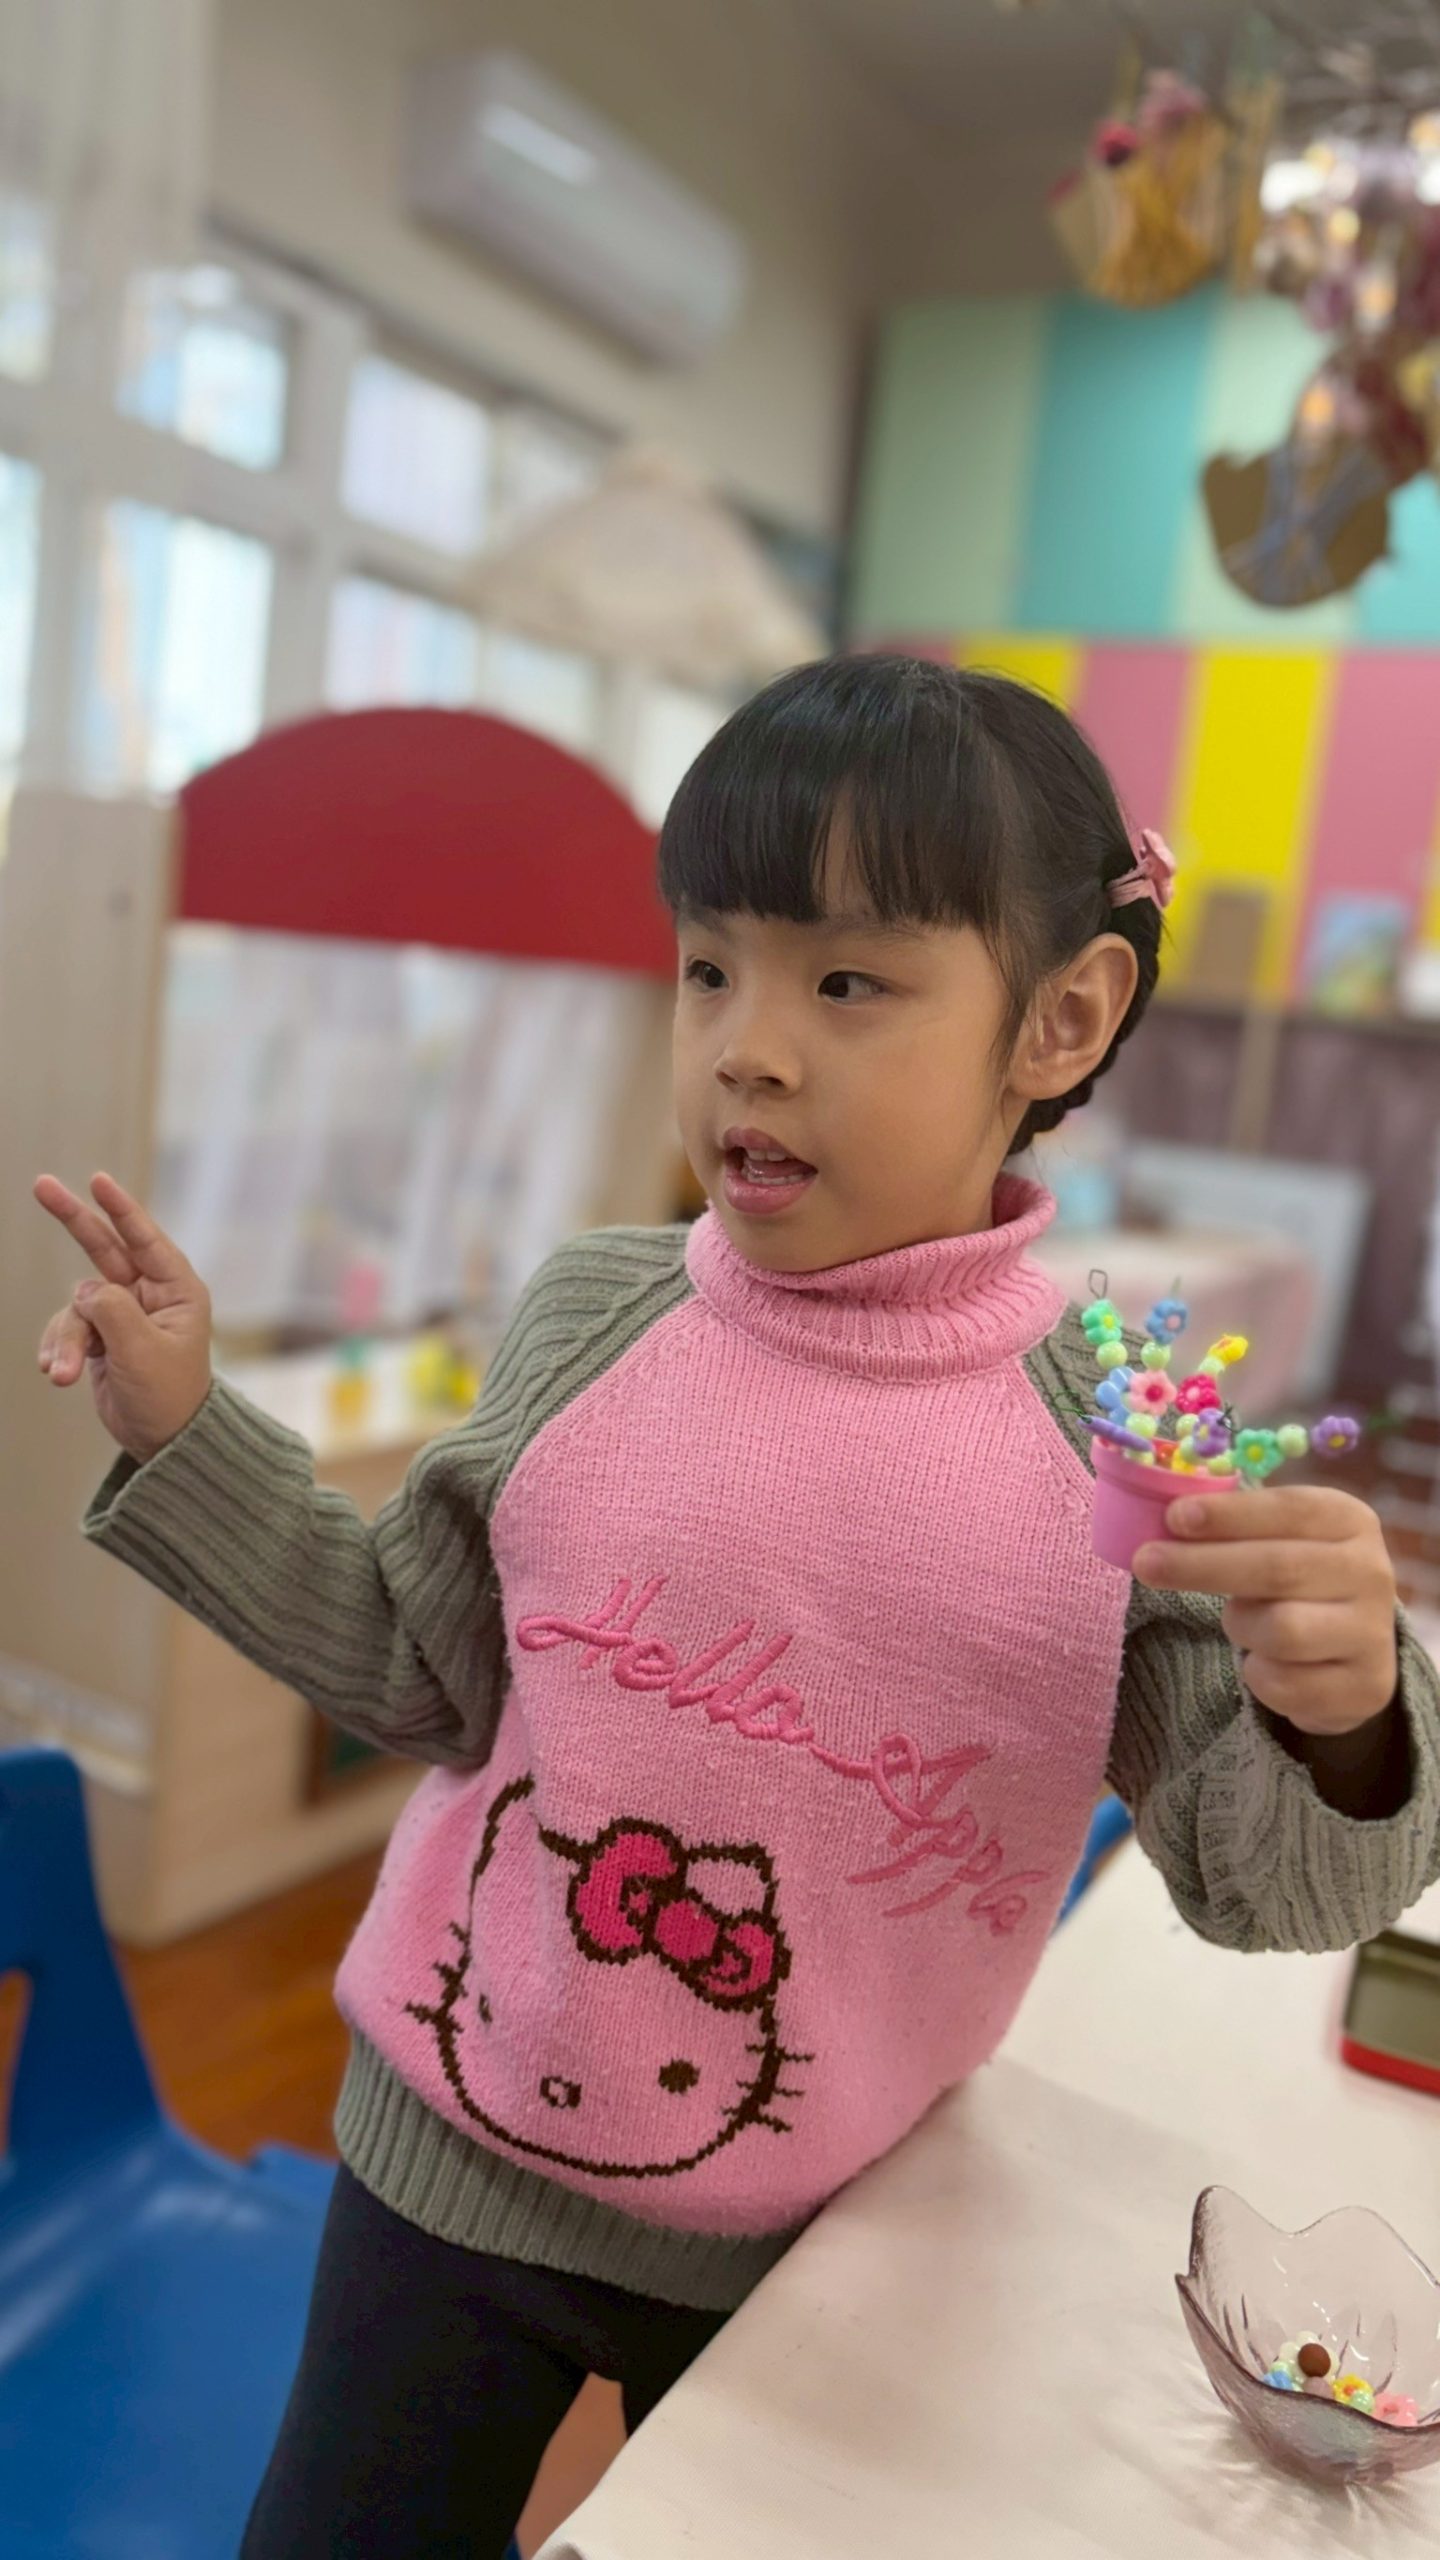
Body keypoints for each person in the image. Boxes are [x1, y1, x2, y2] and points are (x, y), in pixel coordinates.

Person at [34, 658, 1439, 2557]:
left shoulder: (1132, 1418)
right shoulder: (593, 1312)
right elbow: (417, 1674)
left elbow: (1263, 1888)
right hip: (442, 2160)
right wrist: (193, 1431)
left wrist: (1347, 1718)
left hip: (820, 2242)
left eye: (847, 982)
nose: (746, 1051)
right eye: (710, 967)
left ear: (1060, 1019)